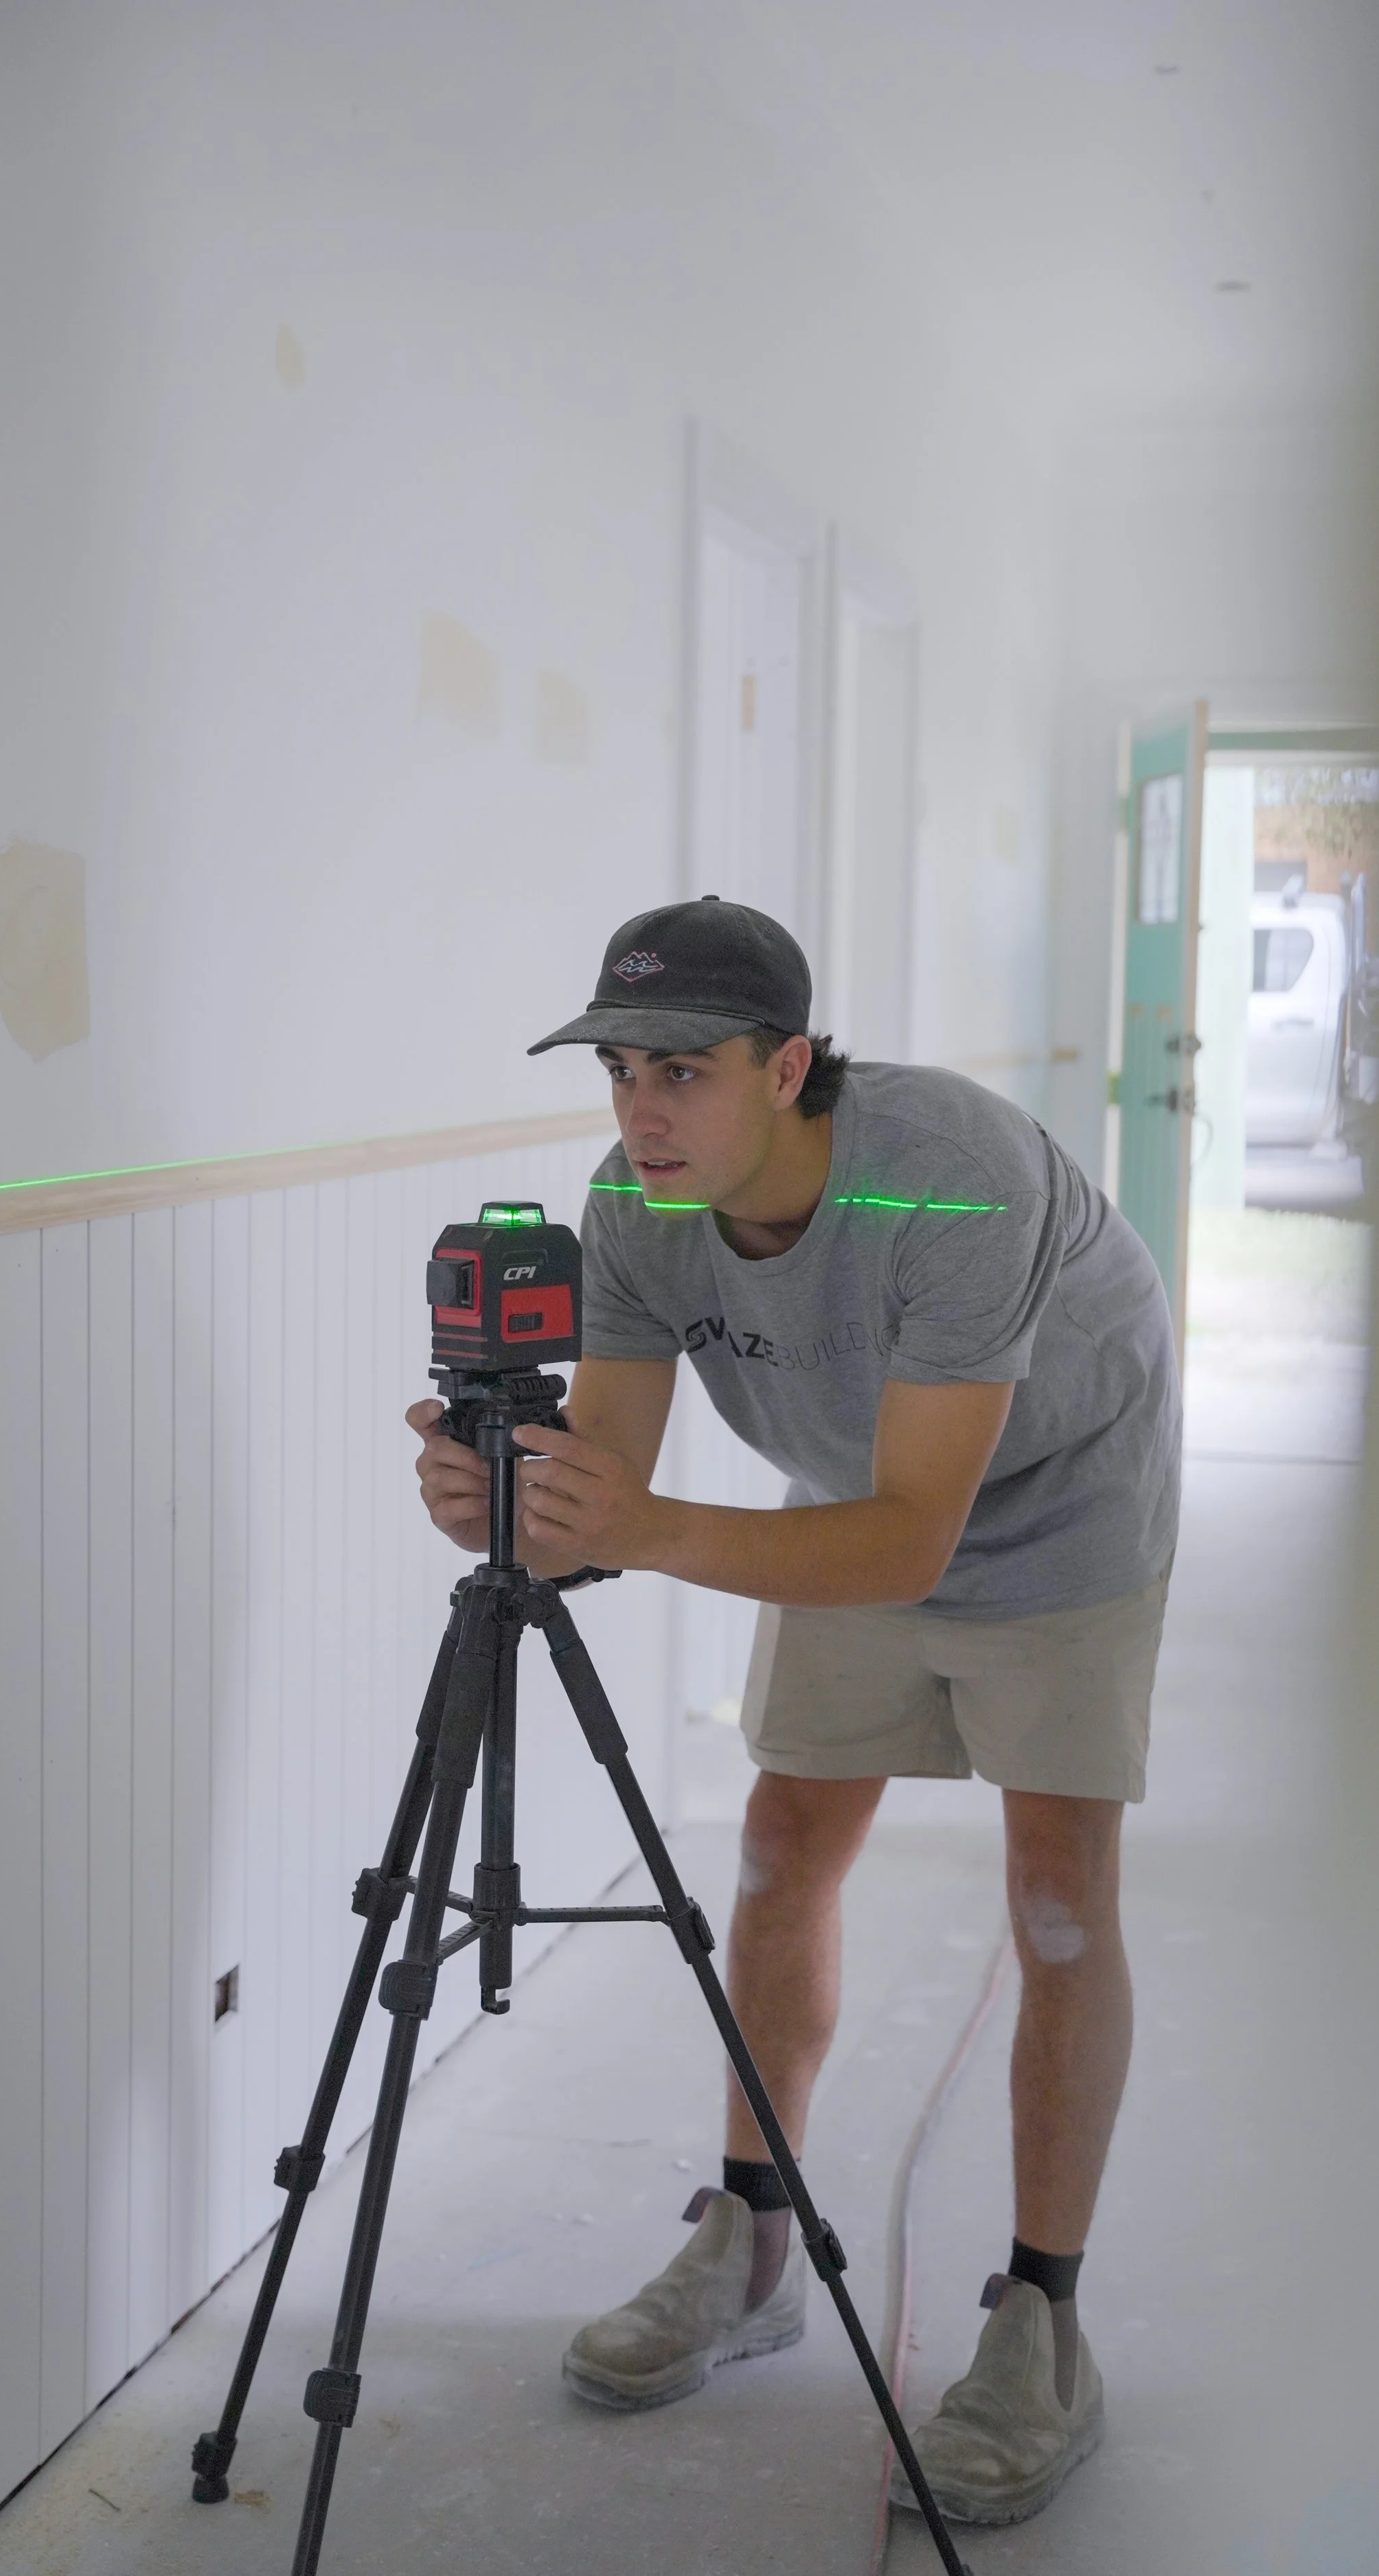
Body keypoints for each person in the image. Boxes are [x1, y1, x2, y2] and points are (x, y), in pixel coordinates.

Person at [407, 896, 1179, 2528]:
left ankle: (1041, 2322)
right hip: (852, 1492)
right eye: (619, 1072)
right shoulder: (636, 1202)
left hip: (1059, 1502)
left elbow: (909, 1544)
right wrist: (511, 1504)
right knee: (778, 1851)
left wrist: (630, 1525)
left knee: (1055, 1898)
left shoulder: (946, 1179)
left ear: (788, 1065)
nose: (640, 1113)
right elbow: (614, 1491)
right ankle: (750, 2241)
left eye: (680, 1072)